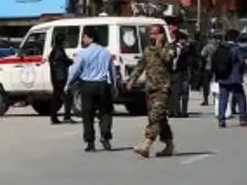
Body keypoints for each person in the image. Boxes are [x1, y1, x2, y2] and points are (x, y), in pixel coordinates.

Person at [127, 24, 176, 158]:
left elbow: (168, 58)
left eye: (155, 34)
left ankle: (147, 143)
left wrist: (160, 45)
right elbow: (140, 65)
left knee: (156, 116)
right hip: (150, 88)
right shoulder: (148, 49)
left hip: (163, 88)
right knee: (159, 118)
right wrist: (132, 80)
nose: (152, 37)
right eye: (151, 34)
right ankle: (169, 144)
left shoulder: (169, 47)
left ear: (161, 34)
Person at [65, 26, 115, 152]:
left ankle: (90, 142)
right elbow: (112, 71)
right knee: (105, 112)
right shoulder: (106, 52)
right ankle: (105, 134)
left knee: (87, 115)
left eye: (84, 37)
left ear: (90, 38)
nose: (83, 39)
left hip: (87, 86)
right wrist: (114, 86)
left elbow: (75, 70)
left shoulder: (83, 53)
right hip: (103, 85)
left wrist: (68, 84)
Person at [212, 29, 247, 128]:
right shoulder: (236, 49)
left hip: (222, 77)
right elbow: (242, 61)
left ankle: (221, 120)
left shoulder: (220, 48)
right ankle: (243, 118)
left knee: (223, 99)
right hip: (234, 77)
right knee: (241, 97)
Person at [48, 32, 75, 124]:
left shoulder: (55, 51)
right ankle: (65, 116)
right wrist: (73, 60)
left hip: (55, 77)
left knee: (57, 97)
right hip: (60, 78)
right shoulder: (59, 51)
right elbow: (66, 62)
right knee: (67, 97)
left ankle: (54, 117)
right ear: (62, 41)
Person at [169, 31, 191, 117]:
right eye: (184, 39)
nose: (185, 41)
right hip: (176, 72)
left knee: (185, 92)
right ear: (180, 39)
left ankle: (184, 111)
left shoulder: (186, 48)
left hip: (184, 71)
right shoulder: (172, 46)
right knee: (175, 92)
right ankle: (175, 111)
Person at [199, 34, 221, 106]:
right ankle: (215, 99)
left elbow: (202, 54)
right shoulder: (219, 47)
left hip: (207, 67)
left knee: (206, 84)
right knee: (215, 83)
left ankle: (206, 100)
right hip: (216, 68)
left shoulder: (207, 46)